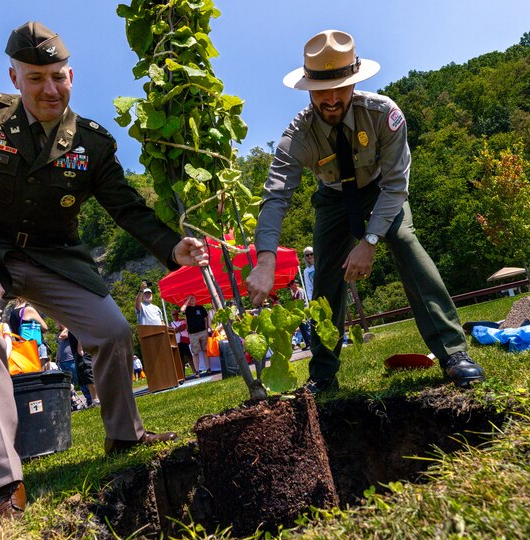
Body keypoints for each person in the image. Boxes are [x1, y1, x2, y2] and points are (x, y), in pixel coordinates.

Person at [0, 21, 209, 522]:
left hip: (53, 256)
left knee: (113, 330)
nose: (49, 89)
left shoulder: (93, 144)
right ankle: (4, 484)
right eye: (35, 78)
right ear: (15, 78)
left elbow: (128, 209)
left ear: (71, 74)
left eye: (57, 76)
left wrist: (172, 246)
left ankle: (125, 435)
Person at [245, 30, 484, 394]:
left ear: (354, 82)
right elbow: (276, 197)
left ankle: (453, 353)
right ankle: (323, 373)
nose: (331, 99)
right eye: (322, 90)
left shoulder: (384, 115)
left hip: (381, 192)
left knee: (405, 241)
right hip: (334, 198)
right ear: (308, 88)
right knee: (325, 278)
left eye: (341, 87)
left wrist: (371, 240)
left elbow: (396, 184)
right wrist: (265, 261)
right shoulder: (297, 137)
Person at [9, 298, 49, 368]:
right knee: (40, 374)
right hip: (36, 346)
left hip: (23, 348)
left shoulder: (12, 313)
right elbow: (45, 327)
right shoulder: (28, 310)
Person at [181, 295, 210, 376]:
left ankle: (208, 368)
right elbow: (182, 310)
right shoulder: (187, 309)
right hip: (193, 334)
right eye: (191, 299)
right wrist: (187, 300)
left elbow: (206, 319)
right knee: (195, 352)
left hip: (203, 331)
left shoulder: (200, 308)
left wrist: (207, 329)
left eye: (193, 298)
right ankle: (197, 371)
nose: (192, 300)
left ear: (196, 299)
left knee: (205, 350)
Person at [288, 279, 311, 348]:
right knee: (302, 328)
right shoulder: (295, 292)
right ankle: (307, 343)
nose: (291, 287)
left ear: (295, 284)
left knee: (305, 327)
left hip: (302, 311)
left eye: (291, 285)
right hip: (298, 312)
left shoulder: (300, 291)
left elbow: (300, 301)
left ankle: (310, 342)